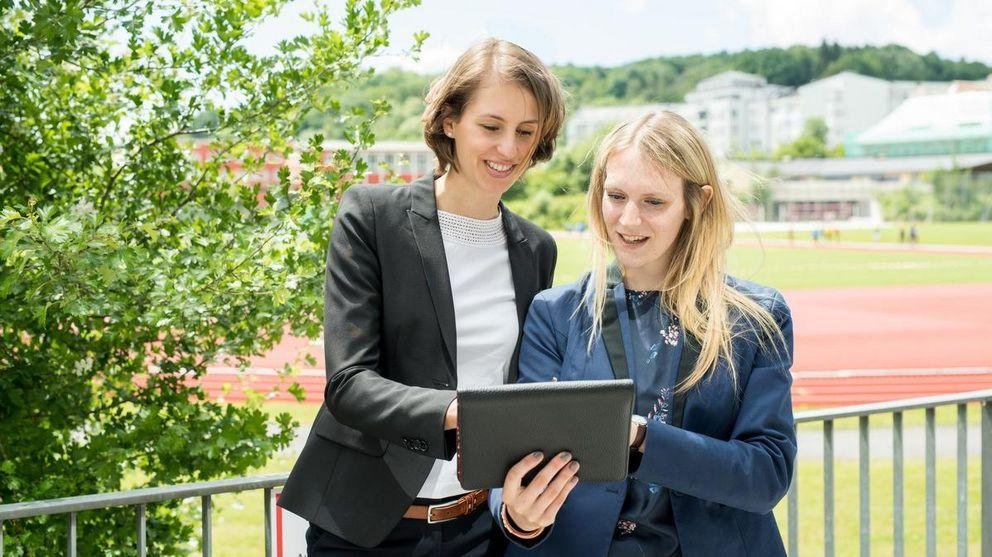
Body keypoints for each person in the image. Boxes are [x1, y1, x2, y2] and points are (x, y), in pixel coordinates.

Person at [279, 38, 579, 555]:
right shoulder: (372, 216)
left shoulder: (536, 249)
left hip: (478, 528)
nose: (508, 149)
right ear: (448, 121)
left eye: (525, 133)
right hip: (363, 527)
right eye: (491, 127)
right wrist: (460, 411)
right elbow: (348, 385)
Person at [492, 111, 796, 556]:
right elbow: (519, 456)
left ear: (698, 202)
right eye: (616, 196)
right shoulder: (555, 314)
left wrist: (642, 440)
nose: (628, 221)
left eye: (654, 202)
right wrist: (518, 517)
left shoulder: (757, 318)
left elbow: (766, 475)